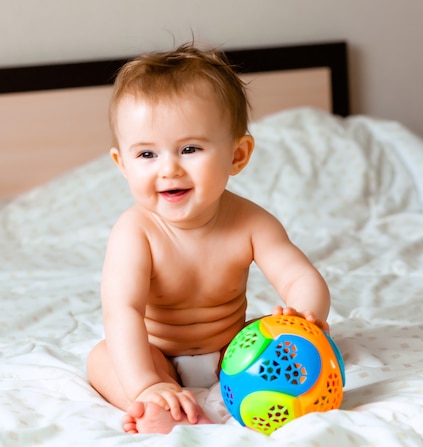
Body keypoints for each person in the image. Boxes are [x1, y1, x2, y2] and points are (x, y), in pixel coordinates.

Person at [86, 42, 330, 435]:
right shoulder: (135, 231)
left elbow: (299, 277)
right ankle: (155, 400)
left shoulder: (252, 222)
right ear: (122, 164)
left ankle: (257, 390)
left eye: (189, 148)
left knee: (272, 332)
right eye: (147, 155)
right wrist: (146, 381)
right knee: (103, 357)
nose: (169, 169)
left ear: (237, 155)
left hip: (231, 351)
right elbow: (123, 311)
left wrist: (305, 315)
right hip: (157, 353)